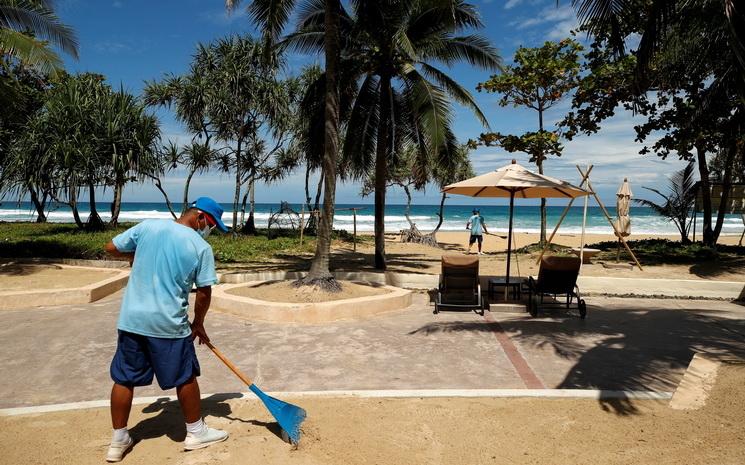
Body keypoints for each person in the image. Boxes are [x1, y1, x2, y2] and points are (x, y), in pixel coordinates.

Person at [103, 197, 230, 462]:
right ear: (201, 218)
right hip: (168, 323)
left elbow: (110, 247)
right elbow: (204, 292)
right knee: (185, 376)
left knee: (124, 378)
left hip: (131, 320)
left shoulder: (148, 227)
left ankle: (118, 440)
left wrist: (134, 256)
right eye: (213, 225)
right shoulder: (200, 247)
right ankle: (196, 432)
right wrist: (199, 324)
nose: (211, 230)